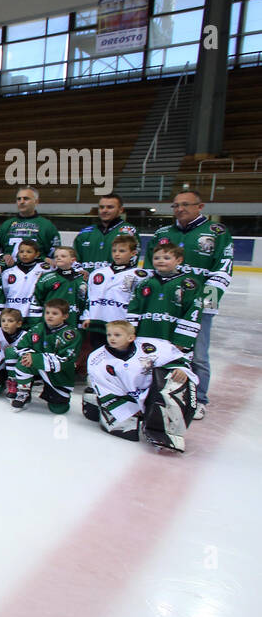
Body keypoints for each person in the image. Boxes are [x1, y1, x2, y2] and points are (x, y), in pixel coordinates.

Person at [144, 189, 232, 418]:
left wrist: (205, 304)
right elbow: (148, 269)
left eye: (185, 204)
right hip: (164, 303)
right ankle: (158, 392)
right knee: (160, 349)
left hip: (198, 306)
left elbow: (223, 269)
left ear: (199, 206)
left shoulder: (217, 232)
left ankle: (199, 398)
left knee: (198, 354)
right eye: (175, 205)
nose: (180, 209)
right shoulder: (163, 232)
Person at [83, 320, 198, 452]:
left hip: (152, 392)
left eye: (117, 335)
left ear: (131, 337)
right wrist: (130, 408)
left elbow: (176, 357)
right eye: (109, 335)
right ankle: (95, 404)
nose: (112, 338)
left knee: (176, 380)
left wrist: (180, 368)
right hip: (125, 398)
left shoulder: (150, 346)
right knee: (125, 427)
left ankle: (166, 430)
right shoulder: (97, 359)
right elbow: (106, 388)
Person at [6, 299, 80, 413]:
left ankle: (52, 391)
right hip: (36, 365)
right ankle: (23, 391)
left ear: (65, 316)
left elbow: (65, 360)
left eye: (55, 313)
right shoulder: (38, 327)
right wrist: (29, 356)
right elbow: (22, 345)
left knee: (59, 409)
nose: (50, 316)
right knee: (21, 359)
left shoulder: (71, 334)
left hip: (58, 375)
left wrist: (35, 358)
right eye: (47, 312)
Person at [127, 244, 203, 352]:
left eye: (166, 258)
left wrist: (182, 340)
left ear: (179, 260)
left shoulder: (188, 285)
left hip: (171, 337)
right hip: (144, 336)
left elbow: (193, 312)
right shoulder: (145, 283)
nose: (160, 261)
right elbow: (134, 309)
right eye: (156, 258)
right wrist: (130, 332)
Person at [73, 194, 140, 275]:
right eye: (101, 207)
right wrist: (80, 274)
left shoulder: (128, 231)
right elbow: (73, 258)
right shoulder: (85, 232)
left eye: (110, 207)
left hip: (115, 282)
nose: (104, 210)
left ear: (121, 210)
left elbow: (133, 259)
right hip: (88, 283)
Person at [0, 187, 60, 267]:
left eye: (26, 198)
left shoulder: (47, 226)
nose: (22, 202)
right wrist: (3, 256)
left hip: (38, 273)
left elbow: (55, 254)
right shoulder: (6, 225)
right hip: (9, 272)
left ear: (36, 201)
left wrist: (43, 259)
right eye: (19, 199)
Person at [29, 246, 87, 324]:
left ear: (73, 260)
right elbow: (36, 300)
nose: (58, 258)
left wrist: (84, 319)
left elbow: (85, 302)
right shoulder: (46, 278)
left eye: (63, 256)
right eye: (56, 256)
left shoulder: (81, 279)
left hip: (74, 322)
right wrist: (36, 322)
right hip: (50, 323)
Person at [1, 238, 46, 321]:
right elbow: (6, 292)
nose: (24, 254)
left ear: (37, 254)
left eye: (29, 252)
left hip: (35, 314)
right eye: (21, 252)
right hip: (13, 314)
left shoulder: (44, 270)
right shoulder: (8, 272)